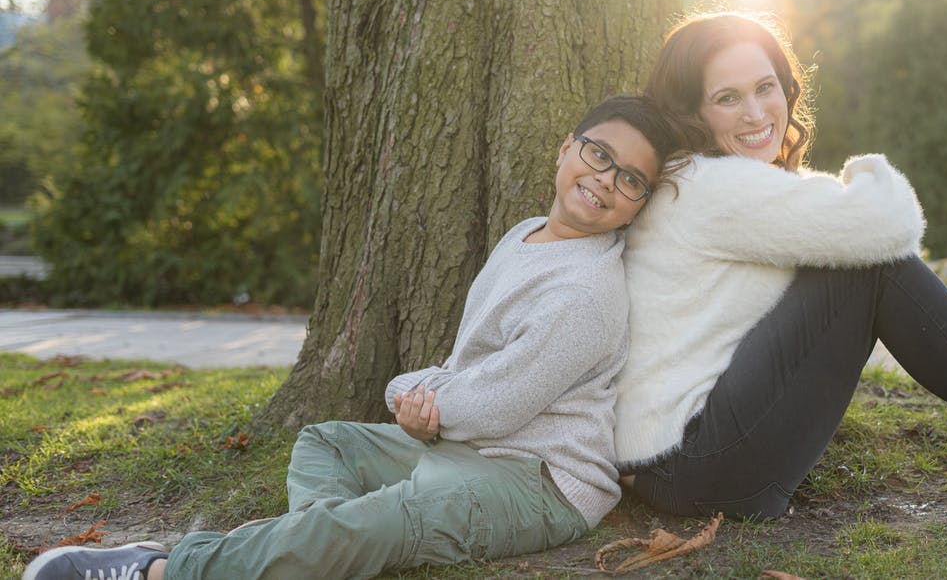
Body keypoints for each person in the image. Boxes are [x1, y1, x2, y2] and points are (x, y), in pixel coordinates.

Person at [23, 95, 683, 580]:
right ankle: (320, 548)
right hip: (473, 440)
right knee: (324, 441)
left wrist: (425, 405)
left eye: (630, 179)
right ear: (566, 147)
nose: (604, 179)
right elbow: (469, 369)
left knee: (395, 514)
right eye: (598, 153)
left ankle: (162, 569)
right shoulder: (525, 233)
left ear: (638, 203)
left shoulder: (588, 292)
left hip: (539, 480)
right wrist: (413, 394)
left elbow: (497, 404)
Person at [613, 11, 947, 520]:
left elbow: (833, 223)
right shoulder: (709, 186)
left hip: (689, 463)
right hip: (699, 463)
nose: (757, 112)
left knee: (860, 254)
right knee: (868, 264)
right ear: (691, 112)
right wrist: (867, 173)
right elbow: (888, 226)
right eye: (728, 98)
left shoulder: (703, 182)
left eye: (765, 88)